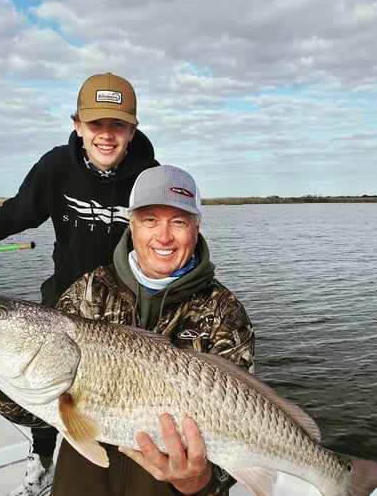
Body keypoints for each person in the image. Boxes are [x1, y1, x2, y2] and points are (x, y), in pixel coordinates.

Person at [0, 72, 159, 496]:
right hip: (65, 297)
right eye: (96, 123)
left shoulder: (150, 175)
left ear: (132, 130)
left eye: (117, 124)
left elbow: (168, 236)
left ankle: (125, 456)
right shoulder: (54, 167)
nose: (106, 135)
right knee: (42, 386)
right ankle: (42, 460)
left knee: (124, 391)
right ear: (77, 125)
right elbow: (19, 212)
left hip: (127, 304)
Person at [50, 165, 255, 495]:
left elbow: (239, 441)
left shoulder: (224, 312)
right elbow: (37, 409)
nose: (163, 236)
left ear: (196, 227)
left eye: (178, 221)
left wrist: (197, 483)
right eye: (149, 220)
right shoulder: (88, 291)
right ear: (131, 226)